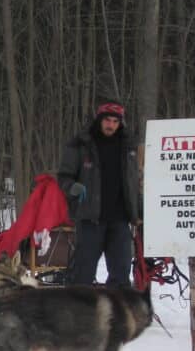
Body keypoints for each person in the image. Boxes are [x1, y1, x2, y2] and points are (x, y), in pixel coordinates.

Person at [56, 101, 141, 286]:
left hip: (120, 220)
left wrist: (138, 211)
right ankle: (77, 313)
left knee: (121, 274)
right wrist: (73, 188)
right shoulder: (81, 144)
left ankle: (115, 314)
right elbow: (63, 177)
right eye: (107, 120)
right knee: (82, 275)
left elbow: (135, 183)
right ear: (99, 120)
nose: (110, 125)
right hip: (90, 220)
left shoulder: (128, 146)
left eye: (115, 121)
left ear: (120, 123)